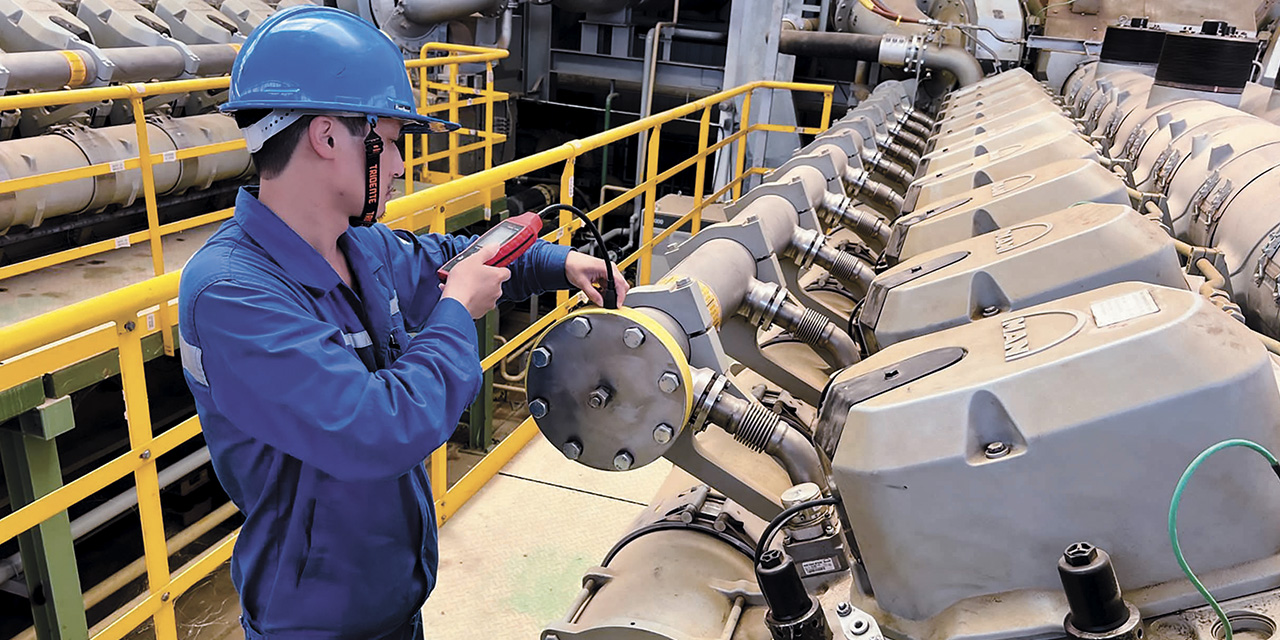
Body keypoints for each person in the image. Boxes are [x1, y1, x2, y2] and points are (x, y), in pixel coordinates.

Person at [177, 6, 627, 638]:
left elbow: (450, 261)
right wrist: (454, 313)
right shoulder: (232, 294)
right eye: (387, 141)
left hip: (391, 598)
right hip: (314, 622)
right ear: (328, 137)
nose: (395, 164)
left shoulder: (360, 246)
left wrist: (560, 263)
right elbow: (377, 428)